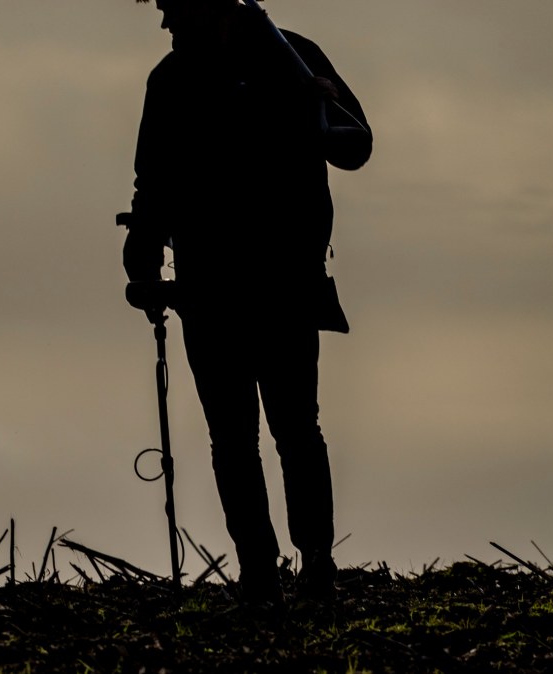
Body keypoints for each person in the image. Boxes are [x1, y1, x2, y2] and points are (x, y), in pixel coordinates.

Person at [121, 0, 372, 604]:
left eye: (173, 8)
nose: (166, 23)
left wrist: (312, 103)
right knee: (237, 438)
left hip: (282, 283)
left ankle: (313, 567)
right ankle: (262, 570)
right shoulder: (173, 79)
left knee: (291, 430)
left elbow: (355, 144)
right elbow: (152, 184)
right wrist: (143, 256)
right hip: (212, 287)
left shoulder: (294, 58)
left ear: (208, 5)